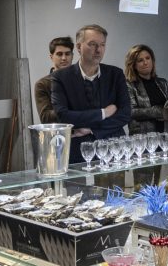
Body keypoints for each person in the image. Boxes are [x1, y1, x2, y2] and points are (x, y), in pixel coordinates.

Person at [51, 25, 131, 163]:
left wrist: (92, 129)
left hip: (113, 149)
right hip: (78, 151)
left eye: (102, 45)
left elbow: (125, 114)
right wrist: (103, 113)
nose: (98, 50)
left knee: (116, 185)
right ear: (78, 47)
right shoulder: (60, 77)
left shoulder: (115, 74)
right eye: (92, 44)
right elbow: (63, 115)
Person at [124, 44, 168, 135]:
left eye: (147, 58)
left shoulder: (163, 83)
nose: (145, 62)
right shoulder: (128, 85)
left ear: (152, 60)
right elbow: (130, 111)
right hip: (141, 139)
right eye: (140, 60)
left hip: (166, 135)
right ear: (133, 65)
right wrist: (160, 112)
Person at [34, 36, 73, 124]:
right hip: (57, 134)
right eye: (59, 54)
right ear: (51, 57)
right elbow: (46, 118)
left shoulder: (81, 79)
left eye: (67, 54)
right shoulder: (42, 84)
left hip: (85, 133)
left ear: (72, 56)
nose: (64, 58)